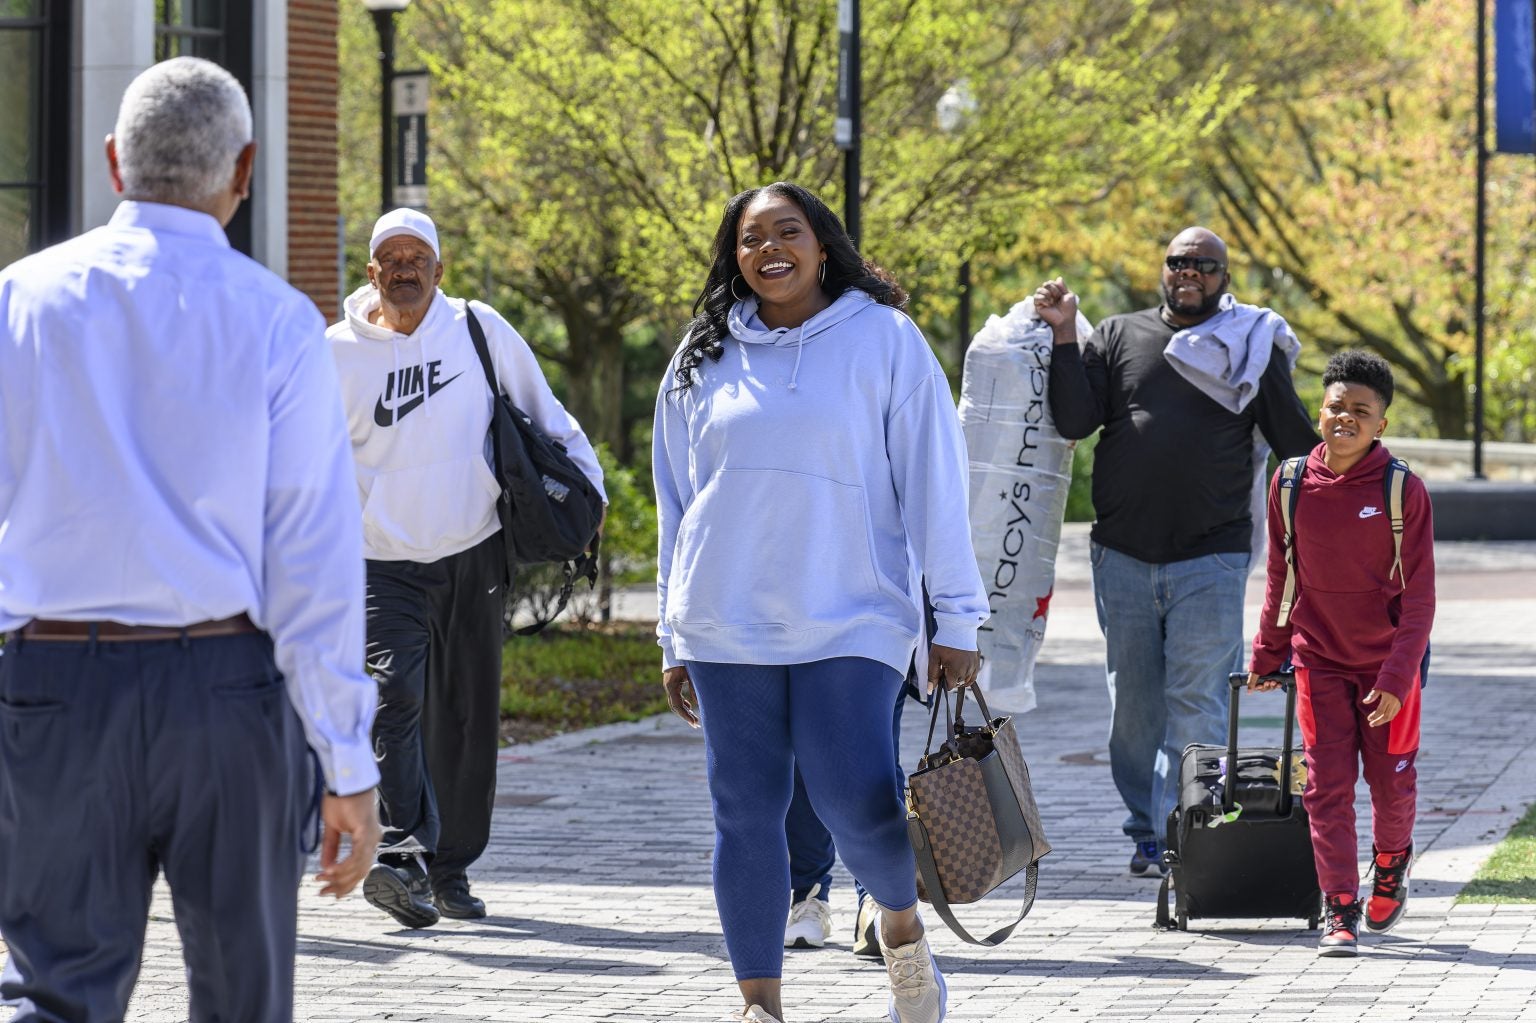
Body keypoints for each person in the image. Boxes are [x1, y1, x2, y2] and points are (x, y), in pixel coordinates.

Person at [0, 57, 380, 1020]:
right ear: (246, 169)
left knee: (56, 989)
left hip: (51, 685)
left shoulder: (18, 302)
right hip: (225, 692)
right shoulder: (279, 322)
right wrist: (347, 761)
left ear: (113, 160)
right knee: (242, 993)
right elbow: (313, 556)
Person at [654, 181, 988, 1023]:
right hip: (725, 620)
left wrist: (956, 616)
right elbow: (674, 498)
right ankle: (758, 1004)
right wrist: (670, 628)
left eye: (787, 232)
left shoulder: (885, 340)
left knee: (854, 796)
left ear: (822, 243)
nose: (769, 250)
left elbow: (935, 485)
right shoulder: (702, 353)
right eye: (750, 238)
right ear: (734, 257)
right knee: (745, 809)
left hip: (854, 611)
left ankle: (905, 937)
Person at [328, 208, 605, 928]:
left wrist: (591, 493)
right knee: (394, 700)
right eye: (389, 258)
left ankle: (450, 871)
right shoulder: (336, 355)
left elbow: (544, 414)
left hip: (474, 547)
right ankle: (403, 851)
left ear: (440, 269)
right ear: (370, 274)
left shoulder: (478, 328)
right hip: (381, 561)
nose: (404, 268)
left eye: (417, 256)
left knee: (466, 716)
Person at [1035, 227, 1319, 877]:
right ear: (1162, 270)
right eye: (1179, 262)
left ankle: (1189, 829)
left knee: (1198, 700)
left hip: (1211, 558)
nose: (1190, 272)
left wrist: (1342, 496)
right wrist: (1064, 333)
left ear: (1224, 275)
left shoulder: (1247, 344)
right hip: (1123, 555)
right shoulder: (1116, 335)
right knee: (1134, 711)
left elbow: (1294, 442)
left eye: (1205, 265)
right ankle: (1145, 825)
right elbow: (1075, 420)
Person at [1248, 350, 1435, 957]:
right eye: (1336, 406)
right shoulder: (1291, 481)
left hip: (1388, 668)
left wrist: (1398, 676)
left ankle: (1390, 863)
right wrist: (1266, 655)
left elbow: (1420, 600)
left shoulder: (1402, 488)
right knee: (1327, 787)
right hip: (1318, 660)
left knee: (1390, 786)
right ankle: (1340, 907)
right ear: (1319, 410)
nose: (1346, 417)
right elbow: (1282, 579)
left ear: (1380, 423)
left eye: (1362, 410)